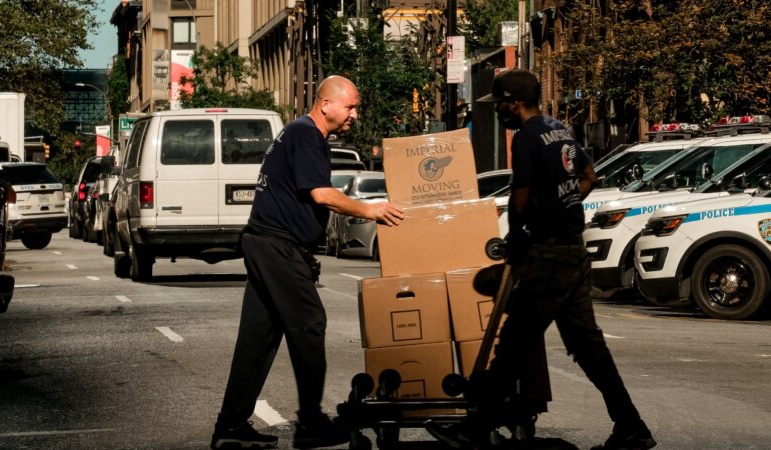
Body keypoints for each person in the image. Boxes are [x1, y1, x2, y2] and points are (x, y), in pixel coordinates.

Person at [428, 69, 656, 450]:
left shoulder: (526, 138)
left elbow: (519, 198)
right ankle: (631, 426)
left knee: (514, 343)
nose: (498, 110)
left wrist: (518, 234)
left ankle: (475, 427)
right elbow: (588, 176)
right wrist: (562, 205)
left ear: (513, 103)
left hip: (547, 256)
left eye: (500, 104)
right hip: (572, 249)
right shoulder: (560, 129)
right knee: (588, 346)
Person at [210, 75, 404, 450]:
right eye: (350, 107)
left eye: (356, 107)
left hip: (265, 242)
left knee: (258, 339)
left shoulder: (300, 133)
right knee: (310, 325)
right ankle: (311, 424)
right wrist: (371, 209)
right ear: (326, 104)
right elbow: (322, 194)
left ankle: (230, 426)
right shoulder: (307, 134)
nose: (355, 115)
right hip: (278, 246)